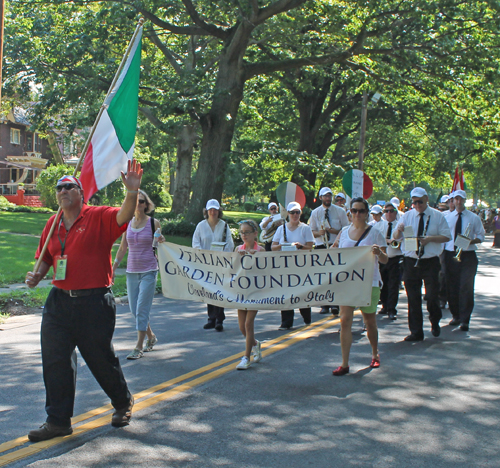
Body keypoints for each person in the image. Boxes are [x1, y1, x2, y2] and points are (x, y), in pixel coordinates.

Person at [25, 160, 142, 442]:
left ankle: (123, 402)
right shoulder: (52, 224)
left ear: (81, 192)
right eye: (59, 188)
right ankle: (57, 421)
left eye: (69, 186)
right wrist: (37, 275)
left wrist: (132, 192)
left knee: (100, 359)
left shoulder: (97, 216)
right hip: (59, 302)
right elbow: (47, 258)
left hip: (93, 302)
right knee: (55, 362)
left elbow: (124, 216)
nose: (63, 190)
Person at [331, 197, 388, 376]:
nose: (357, 214)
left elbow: (386, 259)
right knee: (345, 320)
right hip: (347, 283)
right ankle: (345, 363)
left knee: (369, 321)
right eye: (354, 210)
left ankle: (374, 353)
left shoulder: (375, 233)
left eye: (361, 211)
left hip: (369, 282)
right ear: (350, 212)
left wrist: (379, 252)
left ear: (366, 213)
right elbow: (332, 251)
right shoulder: (344, 232)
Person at [393, 187, 451, 341]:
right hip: (411, 260)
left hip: (430, 261)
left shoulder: (437, 216)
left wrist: (430, 239)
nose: (417, 205)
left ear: (426, 199)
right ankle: (416, 331)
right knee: (413, 298)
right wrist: (398, 231)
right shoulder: (407, 216)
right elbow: (395, 238)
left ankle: (435, 319)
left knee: (432, 296)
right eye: (414, 202)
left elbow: (446, 236)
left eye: (420, 201)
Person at [113, 189, 164, 360]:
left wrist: (161, 240)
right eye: (135, 201)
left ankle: (138, 346)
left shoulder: (153, 223)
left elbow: (158, 245)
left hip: (149, 270)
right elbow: (122, 248)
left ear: (146, 204)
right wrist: (113, 267)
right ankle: (151, 337)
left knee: (142, 309)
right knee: (134, 311)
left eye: (142, 201)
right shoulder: (127, 223)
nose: (138, 204)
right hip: (131, 271)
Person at [443, 190, 485, 331]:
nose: (459, 202)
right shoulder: (447, 217)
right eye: (456, 200)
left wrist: (470, 241)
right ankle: (456, 315)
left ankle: (465, 319)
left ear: (465, 201)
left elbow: (481, 235)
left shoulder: (473, 218)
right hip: (450, 254)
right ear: (453, 201)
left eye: (461, 200)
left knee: (466, 288)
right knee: (452, 287)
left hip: (468, 255)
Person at [192, 199, 234, 331]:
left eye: (215, 210)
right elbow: (196, 243)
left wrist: (223, 256)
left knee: (219, 291)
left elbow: (230, 244)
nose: (213, 212)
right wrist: (201, 255)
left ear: (218, 211)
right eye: (210, 210)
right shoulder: (201, 226)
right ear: (206, 211)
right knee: (209, 291)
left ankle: (219, 320)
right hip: (206, 263)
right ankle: (211, 318)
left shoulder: (224, 226)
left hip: (220, 263)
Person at [272, 201, 314, 329]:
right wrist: (282, 246)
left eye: (297, 212)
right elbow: (273, 247)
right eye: (292, 213)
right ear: (288, 214)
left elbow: (310, 247)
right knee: (286, 293)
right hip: (285, 265)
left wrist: (300, 246)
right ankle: (286, 322)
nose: (295, 215)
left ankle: (306, 315)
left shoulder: (305, 228)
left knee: (302, 292)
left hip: (301, 265)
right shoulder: (281, 229)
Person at [308, 187, 349, 314]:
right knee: (323, 276)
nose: (327, 198)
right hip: (321, 245)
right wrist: (319, 233)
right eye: (325, 196)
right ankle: (324, 303)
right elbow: (311, 232)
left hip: (335, 245)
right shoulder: (315, 212)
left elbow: (346, 229)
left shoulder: (340, 211)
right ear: (320, 198)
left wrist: (333, 231)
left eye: (329, 196)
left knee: (336, 275)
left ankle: (335, 303)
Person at [234, 220, 265, 369]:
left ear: (255, 234)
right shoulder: (238, 248)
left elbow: (266, 271)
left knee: (248, 324)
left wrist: (256, 256)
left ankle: (246, 357)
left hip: (255, 292)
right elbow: (233, 269)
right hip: (241, 291)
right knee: (241, 327)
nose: (244, 235)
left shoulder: (261, 250)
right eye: (242, 232)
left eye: (247, 232)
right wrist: (239, 256)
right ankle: (255, 343)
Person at [378, 201, 403, 320]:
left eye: (391, 211)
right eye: (386, 211)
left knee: (393, 284)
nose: (388, 213)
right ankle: (384, 305)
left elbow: (402, 243)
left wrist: (391, 242)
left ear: (395, 212)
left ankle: (392, 309)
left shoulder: (400, 226)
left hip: (395, 258)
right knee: (383, 283)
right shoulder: (379, 226)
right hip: (382, 258)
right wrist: (388, 242)